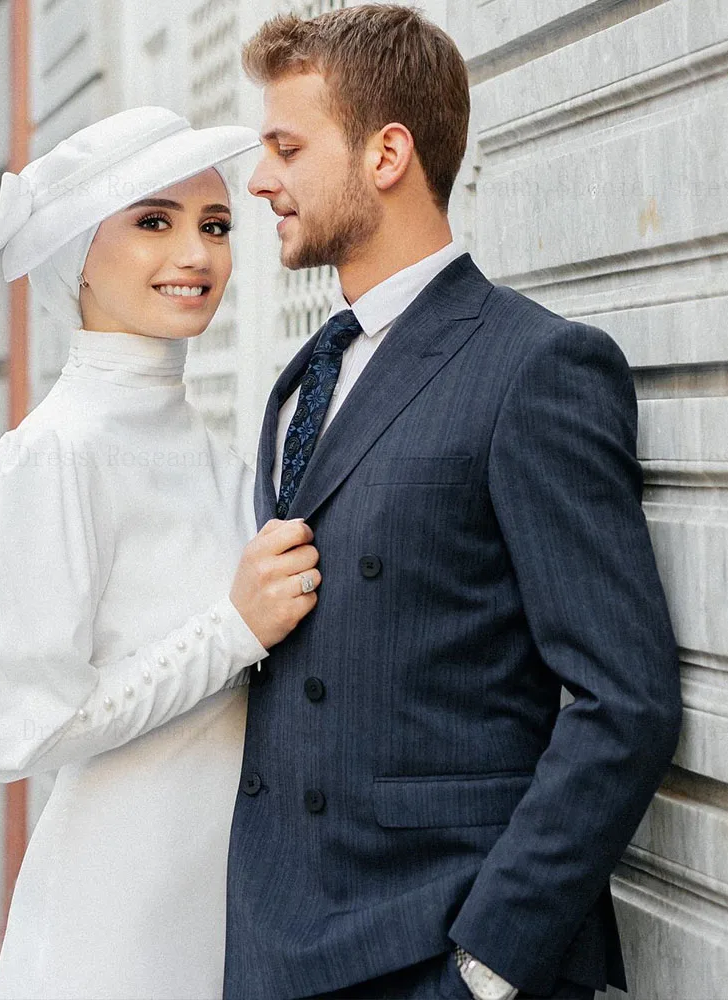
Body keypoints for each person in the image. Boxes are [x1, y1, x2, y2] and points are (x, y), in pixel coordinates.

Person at [223, 7, 683, 1000]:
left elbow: (624, 700)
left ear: (386, 153)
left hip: (432, 950)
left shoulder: (535, 368)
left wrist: (488, 965)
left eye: (287, 147)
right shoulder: (303, 377)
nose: (259, 180)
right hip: (277, 947)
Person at [0, 106, 321, 999]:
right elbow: (20, 728)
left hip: (236, 901)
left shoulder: (228, 460)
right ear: (77, 256)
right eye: (154, 221)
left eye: (216, 226)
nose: (196, 255)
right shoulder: (50, 454)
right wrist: (231, 631)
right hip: (115, 916)